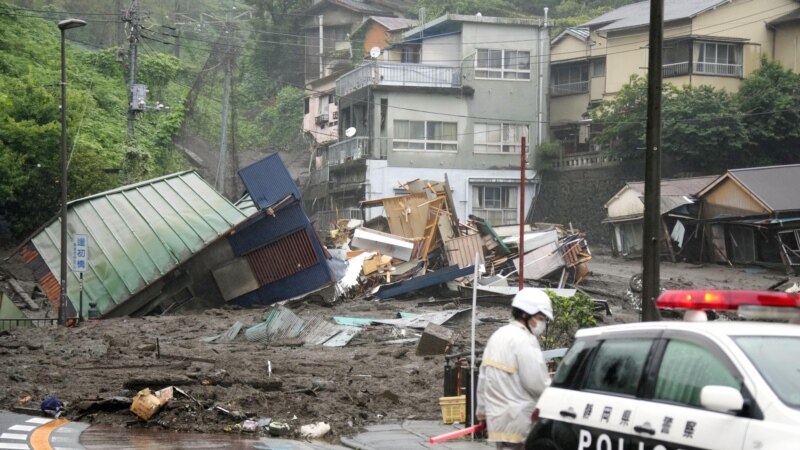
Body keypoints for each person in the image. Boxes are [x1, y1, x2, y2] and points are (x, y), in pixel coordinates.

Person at [476, 288, 552, 449]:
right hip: (520, 422)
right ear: (525, 315)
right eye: (539, 318)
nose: (541, 324)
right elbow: (536, 383)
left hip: (498, 423)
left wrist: (482, 413)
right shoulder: (525, 340)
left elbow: (483, 379)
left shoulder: (497, 336)